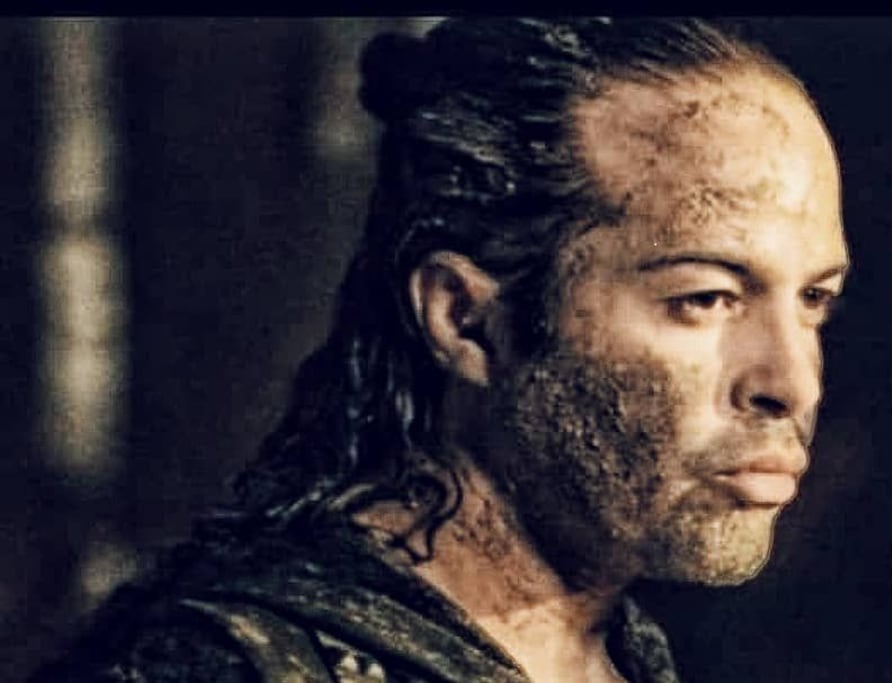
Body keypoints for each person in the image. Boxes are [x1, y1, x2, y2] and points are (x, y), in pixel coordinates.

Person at [34, 17, 849, 683]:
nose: (792, 383)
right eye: (705, 298)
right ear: (465, 319)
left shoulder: (623, 656)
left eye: (814, 299)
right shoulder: (225, 667)